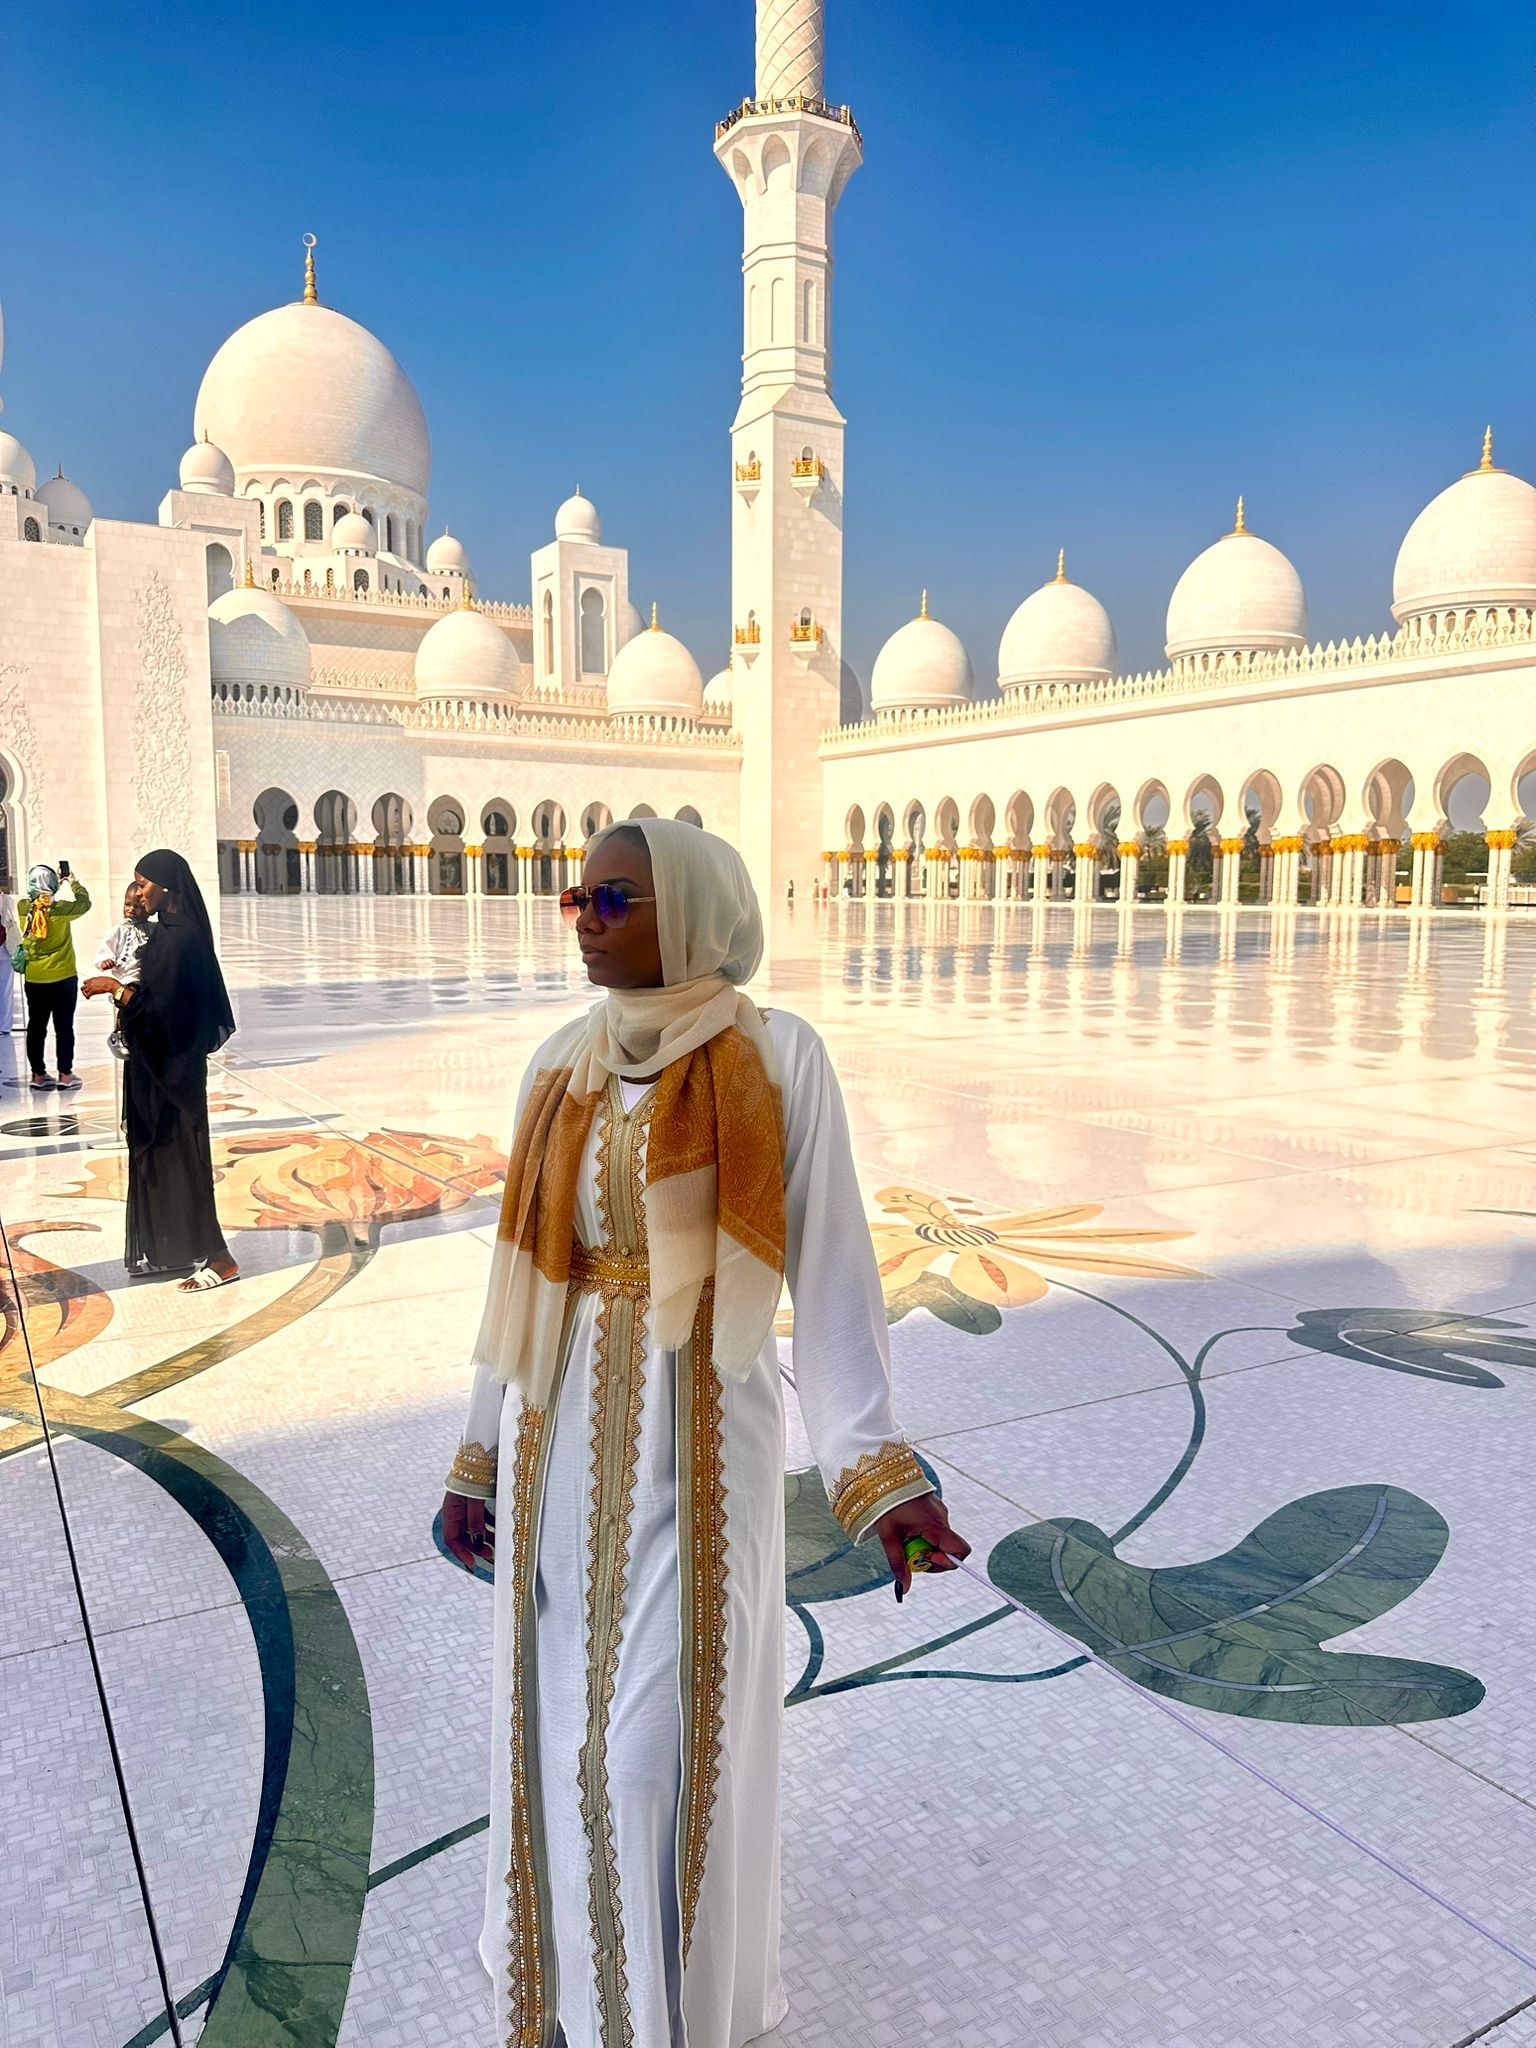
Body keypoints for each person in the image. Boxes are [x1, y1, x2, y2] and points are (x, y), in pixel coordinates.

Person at [441, 819, 967, 2048]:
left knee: (652, 1752)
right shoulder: (558, 1064)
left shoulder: (779, 1059)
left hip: (703, 1456)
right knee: (560, 1724)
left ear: (694, 909)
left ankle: (664, 2011)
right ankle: (566, 1984)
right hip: (554, 1440)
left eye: (612, 896)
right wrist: (479, 1450)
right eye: (577, 894)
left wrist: (874, 1470)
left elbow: (834, 1267)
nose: (581, 914)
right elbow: (519, 1274)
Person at [115, 850, 239, 1292]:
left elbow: (165, 1013)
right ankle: (173, 1247)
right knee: (160, 1152)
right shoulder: (166, 933)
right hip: (159, 1065)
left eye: (144, 884)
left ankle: (220, 1257)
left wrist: (118, 992)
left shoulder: (180, 937)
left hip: (174, 1070)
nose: (138, 892)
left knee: (184, 1155)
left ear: (167, 887)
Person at [19, 862, 91, 1090]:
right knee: (64, 1027)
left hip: (35, 978)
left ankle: (38, 1076)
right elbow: (84, 903)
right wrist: (72, 882)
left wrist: (52, 888)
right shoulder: (61, 909)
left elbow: (38, 900)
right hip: (63, 977)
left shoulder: (23, 907)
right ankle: (65, 1075)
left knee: (36, 1027)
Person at [82, 881, 152, 1058]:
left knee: (136, 1004)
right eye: (128, 904)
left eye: (138, 906)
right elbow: (105, 951)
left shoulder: (153, 928)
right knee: (125, 1003)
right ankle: (119, 1033)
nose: (131, 910)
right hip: (125, 977)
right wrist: (106, 962)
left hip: (144, 975)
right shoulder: (117, 931)